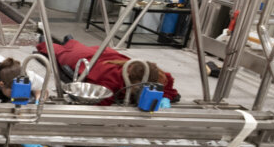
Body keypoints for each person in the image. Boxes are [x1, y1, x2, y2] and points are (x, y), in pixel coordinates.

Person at [36, 35, 179, 105]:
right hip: (87, 59)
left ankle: (70, 40)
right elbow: (103, 101)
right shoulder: (112, 78)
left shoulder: (155, 75)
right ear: (130, 81)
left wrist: (165, 98)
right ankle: (46, 42)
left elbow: (169, 87)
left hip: (107, 54)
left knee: (77, 46)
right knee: (62, 52)